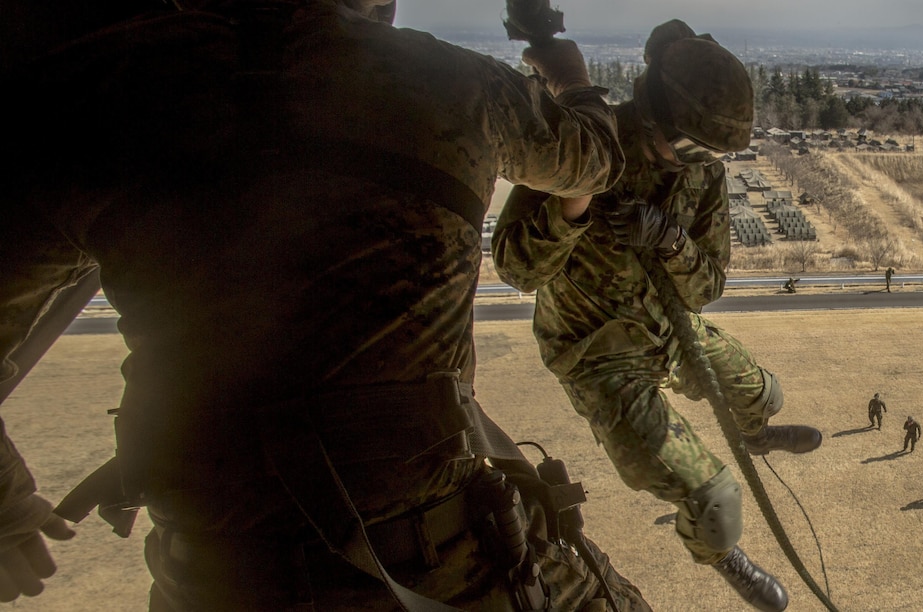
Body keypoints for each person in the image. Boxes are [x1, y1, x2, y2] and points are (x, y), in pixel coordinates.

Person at [0, 1, 651, 609]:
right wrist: (571, 82)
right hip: (434, 564)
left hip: (211, 573)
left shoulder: (97, 91)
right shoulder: (447, 84)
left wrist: (8, 509)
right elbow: (594, 161)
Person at [493, 19, 822, 612]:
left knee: (763, 393)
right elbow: (517, 269)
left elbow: (707, 288)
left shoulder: (700, 174)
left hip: (672, 331)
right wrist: (574, 210)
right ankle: (723, 554)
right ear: (653, 114)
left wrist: (670, 240)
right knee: (714, 497)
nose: (698, 163)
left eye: (711, 154)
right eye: (693, 148)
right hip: (599, 353)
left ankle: (756, 432)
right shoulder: (584, 146)